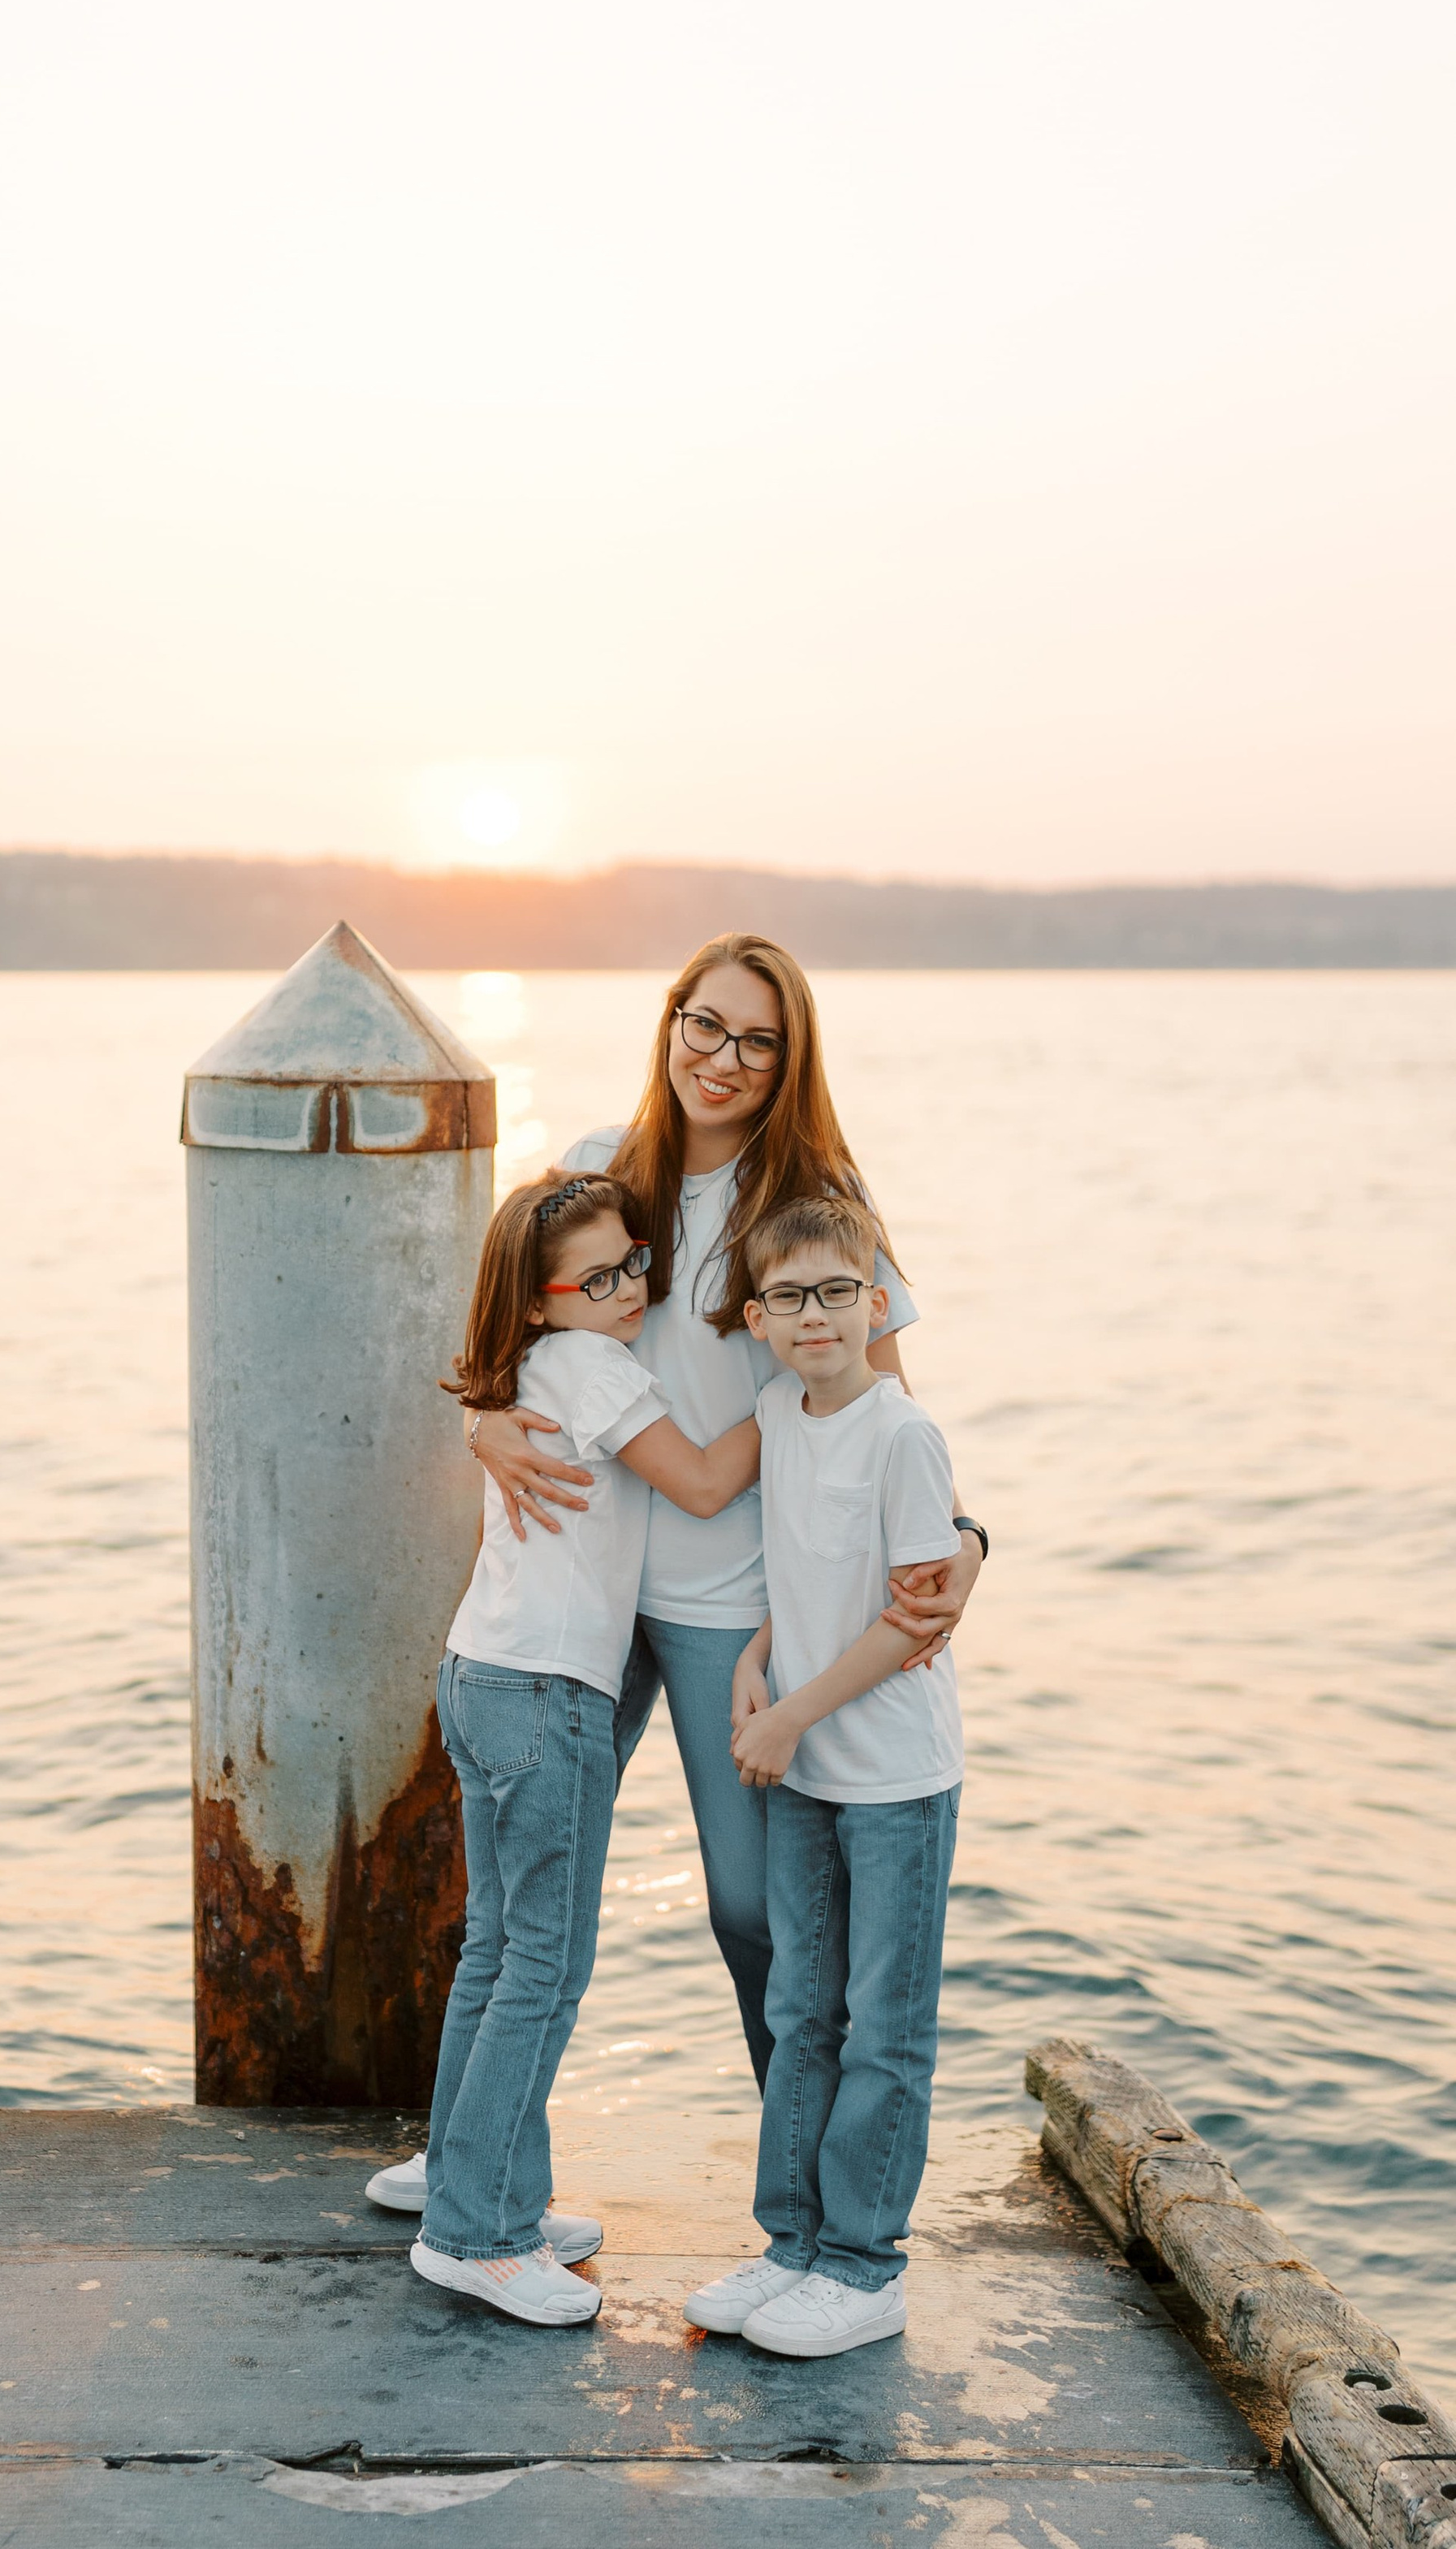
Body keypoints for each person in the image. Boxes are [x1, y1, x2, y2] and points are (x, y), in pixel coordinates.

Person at [461, 937, 985, 2320]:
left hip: (730, 1609)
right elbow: (513, 1325)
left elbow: (885, 1397)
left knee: (759, 1910)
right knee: (526, 1904)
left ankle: (814, 2221)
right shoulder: (600, 1162)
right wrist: (478, 1419)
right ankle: (476, 2172)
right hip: (587, 1588)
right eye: (708, 1024)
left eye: (758, 1039)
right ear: (671, 1021)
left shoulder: (813, 1202)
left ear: (788, 1057)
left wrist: (967, 1537)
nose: (726, 1057)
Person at [396, 1168, 764, 2327]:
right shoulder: (595, 1366)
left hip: (478, 1672)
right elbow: (703, 1483)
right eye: (597, 1277)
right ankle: (476, 2235)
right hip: (546, 1695)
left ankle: (476, 2185)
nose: (628, 1289)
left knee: (497, 1949)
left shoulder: (528, 1364)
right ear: (544, 1294)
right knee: (543, 1967)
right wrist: (811, 1394)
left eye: (635, 1265)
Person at [693, 1193, 966, 2357]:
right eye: (791, 1296)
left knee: (882, 2023)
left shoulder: (904, 1434)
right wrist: (759, 1657)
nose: (818, 1315)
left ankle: (865, 2266)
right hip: (803, 1767)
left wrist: (793, 1712)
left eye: (839, 1292)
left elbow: (913, 1621)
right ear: (758, 1316)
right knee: (800, 2006)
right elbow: (799, 1573)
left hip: (892, 1775)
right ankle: (793, 2243)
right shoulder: (778, 1413)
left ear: (878, 1302)